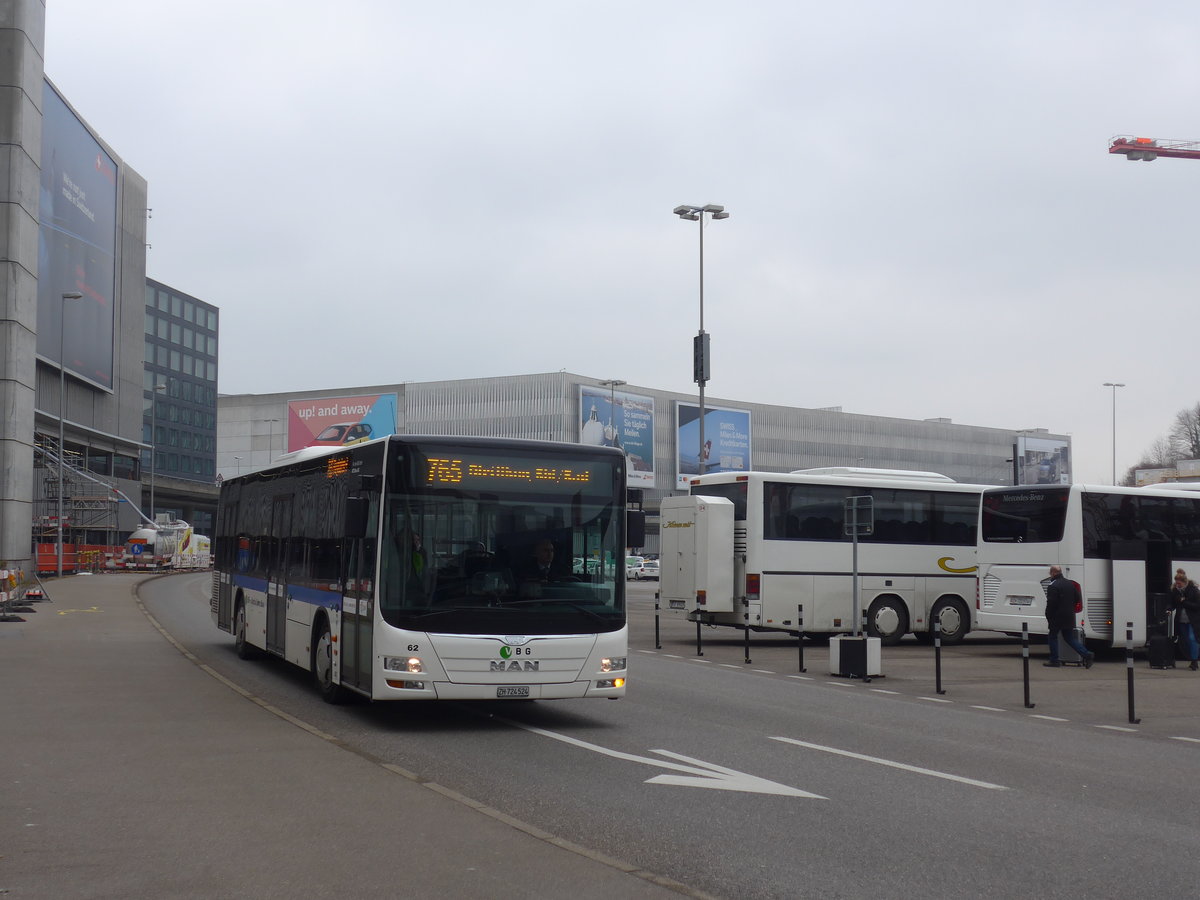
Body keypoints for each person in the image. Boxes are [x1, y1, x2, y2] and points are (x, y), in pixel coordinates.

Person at [1044, 565, 1094, 668]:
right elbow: (1077, 598)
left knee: (1052, 637)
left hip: (1057, 617)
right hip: (1069, 616)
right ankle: (1087, 654)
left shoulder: (1053, 586)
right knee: (1069, 638)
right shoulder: (1070, 583)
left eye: (1050, 573)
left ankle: (1054, 660)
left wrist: (1048, 615)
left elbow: (1051, 603)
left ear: (1053, 573)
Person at [1170, 569, 1200, 671]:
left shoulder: (1194, 590)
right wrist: (1169, 609)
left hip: (1193, 620)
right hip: (1181, 620)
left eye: (1179, 583)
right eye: (1176, 583)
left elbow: (1197, 606)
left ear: (1184, 582)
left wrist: (1184, 602)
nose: (1177, 585)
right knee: (1185, 640)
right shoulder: (1175, 591)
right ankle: (1193, 658)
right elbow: (1172, 603)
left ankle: (1194, 661)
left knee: (1192, 638)